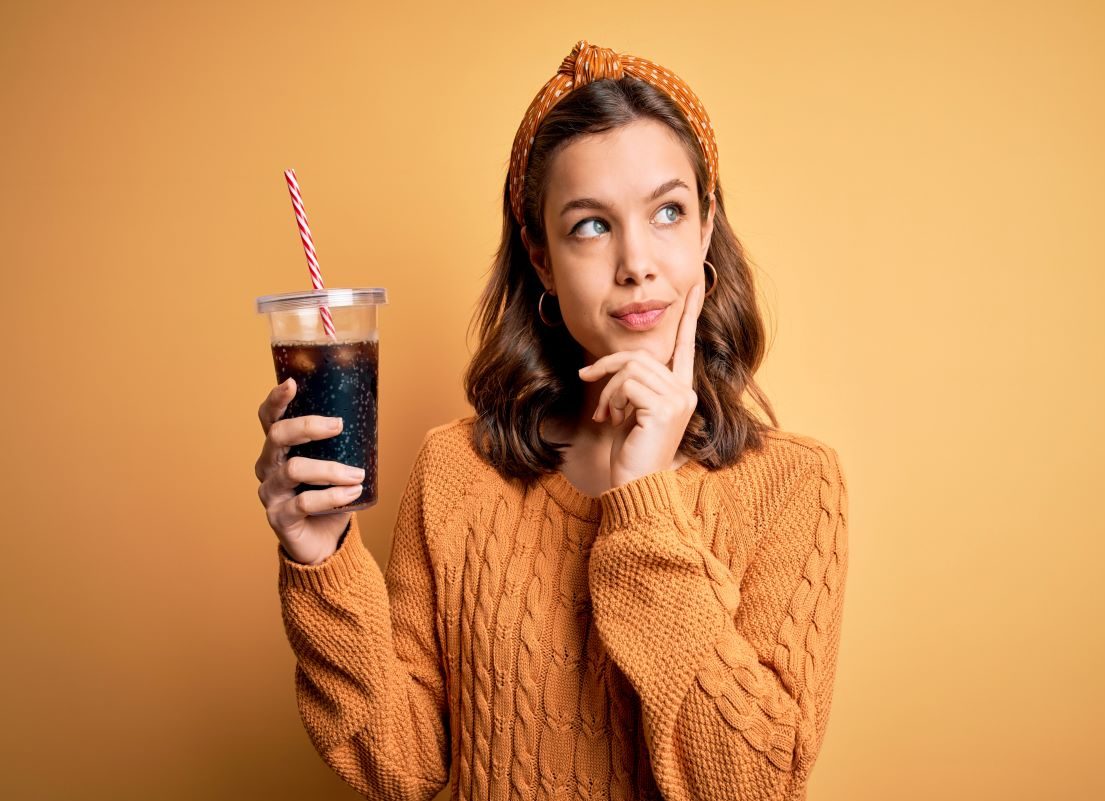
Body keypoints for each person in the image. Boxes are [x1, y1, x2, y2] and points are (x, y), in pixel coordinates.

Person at [253, 39, 849, 801]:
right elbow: (399, 764)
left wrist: (642, 500)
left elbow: (749, 786)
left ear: (705, 232)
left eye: (667, 211)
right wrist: (321, 554)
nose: (636, 260)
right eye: (590, 226)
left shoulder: (796, 486)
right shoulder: (456, 470)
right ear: (540, 257)